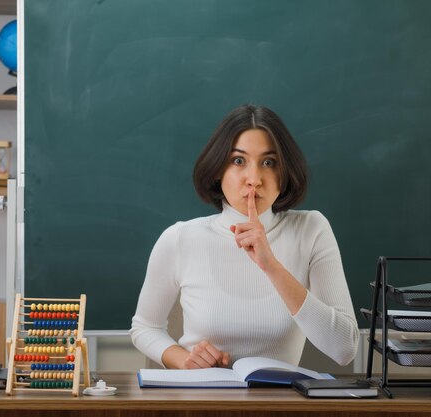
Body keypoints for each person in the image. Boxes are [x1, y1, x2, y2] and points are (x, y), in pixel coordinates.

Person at [130, 104, 359, 370]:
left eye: (268, 163)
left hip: (280, 407)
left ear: (284, 173)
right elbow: (144, 327)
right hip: (200, 402)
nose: (254, 179)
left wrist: (270, 265)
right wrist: (185, 360)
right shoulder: (180, 237)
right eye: (239, 161)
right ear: (218, 170)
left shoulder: (311, 229)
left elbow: (345, 350)